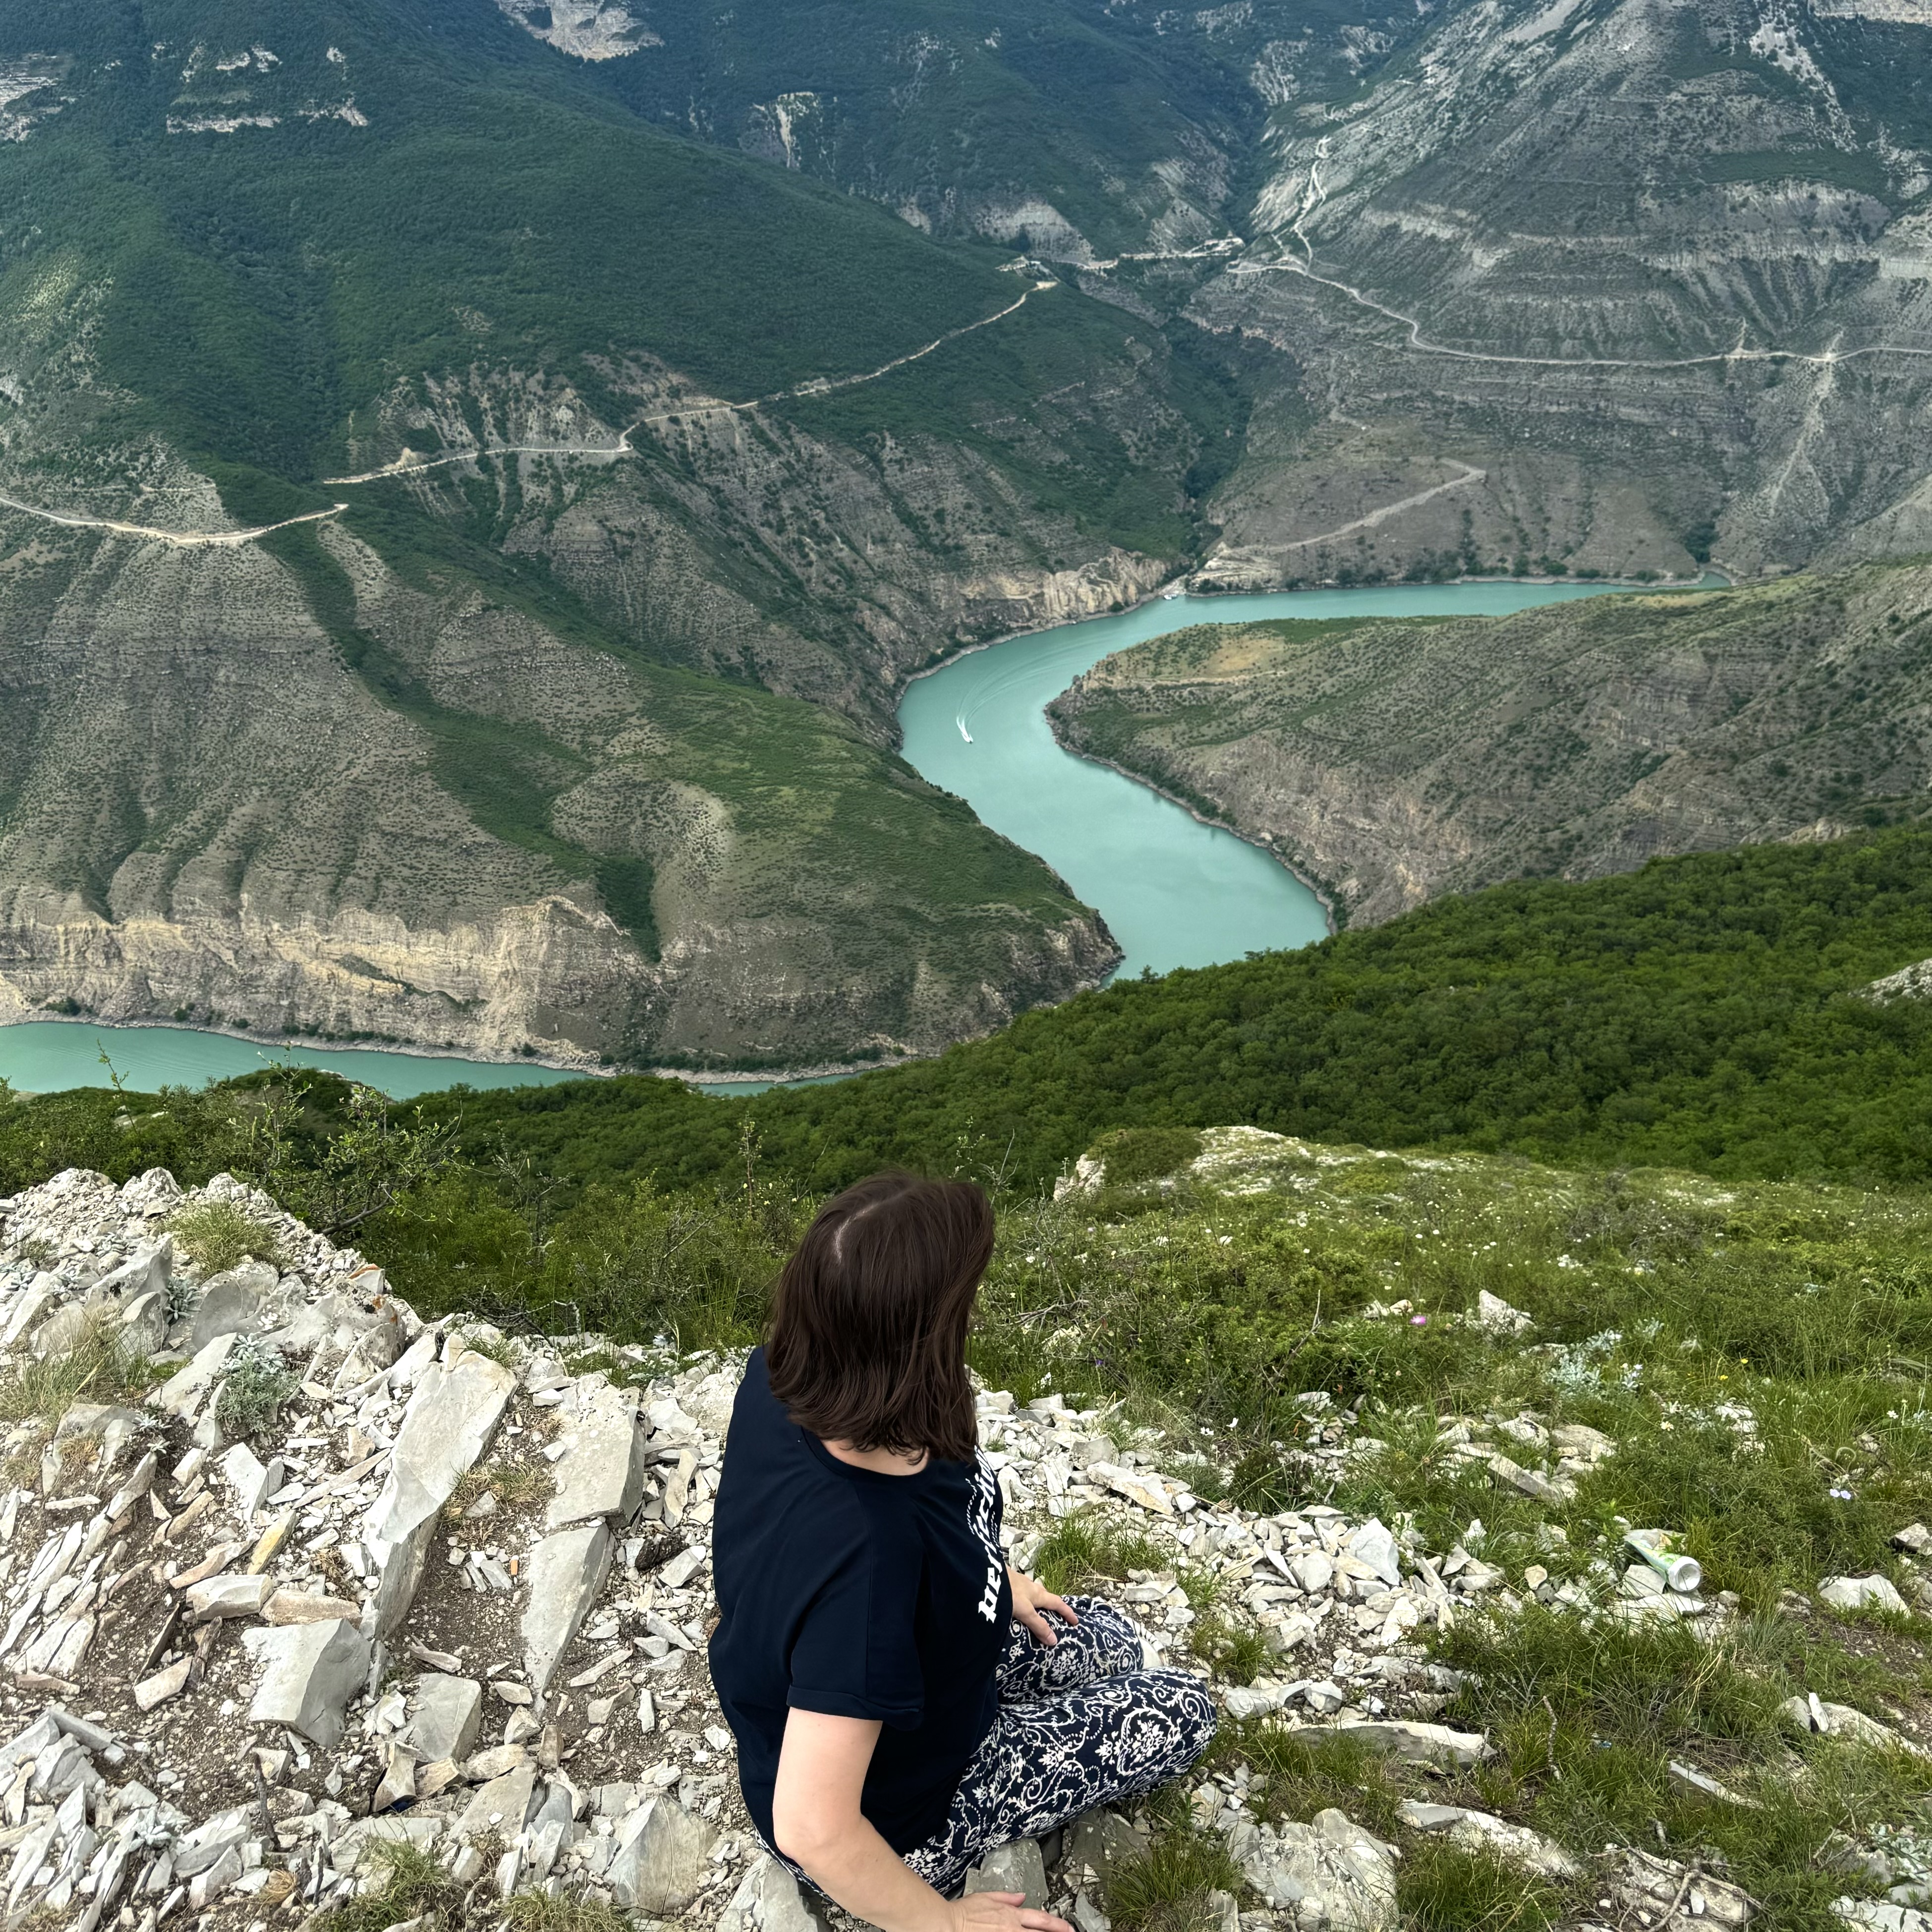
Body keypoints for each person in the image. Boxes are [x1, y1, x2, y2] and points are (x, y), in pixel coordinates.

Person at [708, 1172, 1216, 1932]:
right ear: (915, 1341)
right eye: (960, 1302)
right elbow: (811, 1826)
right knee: (1186, 1706)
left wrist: (991, 1577)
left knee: (1110, 1638)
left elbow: (917, 1523)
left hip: (940, 1672)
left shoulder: (788, 1377)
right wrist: (940, 1923)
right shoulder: (867, 1573)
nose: (971, 1309)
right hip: (911, 1807)